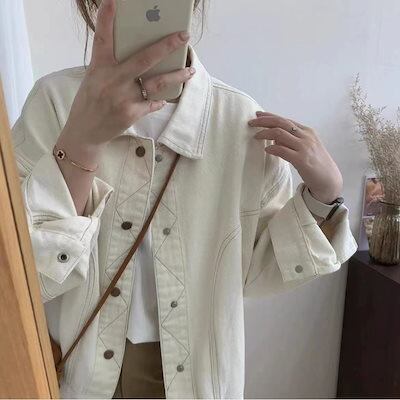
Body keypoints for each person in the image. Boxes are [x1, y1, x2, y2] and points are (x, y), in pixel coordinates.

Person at [11, 0, 358, 398]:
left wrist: (323, 196)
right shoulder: (55, 102)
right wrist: (82, 140)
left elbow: (257, 270)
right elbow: (24, 273)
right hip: (78, 372)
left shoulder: (239, 120)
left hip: (192, 376)